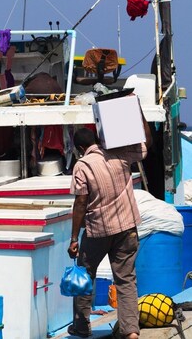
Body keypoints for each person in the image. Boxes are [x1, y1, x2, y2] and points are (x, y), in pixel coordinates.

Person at [67, 122, 150, 339]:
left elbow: (81, 202)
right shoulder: (119, 154)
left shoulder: (83, 165)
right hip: (126, 228)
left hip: (97, 231)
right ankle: (131, 331)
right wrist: (138, 113)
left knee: (85, 276)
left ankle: (82, 327)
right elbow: (146, 144)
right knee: (126, 279)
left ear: (79, 149)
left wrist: (74, 238)